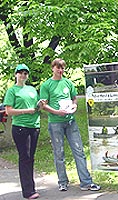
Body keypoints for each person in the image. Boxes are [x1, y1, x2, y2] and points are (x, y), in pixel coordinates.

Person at [40, 58, 100, 192]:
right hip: (55, 123)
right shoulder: (46, 85)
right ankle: (62, 182)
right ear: (52, 68)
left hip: (71, 122)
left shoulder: (68, 83)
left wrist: (74, 106)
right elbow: (43, 105)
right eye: (57, 68)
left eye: (62, 68)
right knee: (59, 153)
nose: (60, 70)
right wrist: (56, 112)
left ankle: (86, 182)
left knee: (79, 151)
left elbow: (74, 99)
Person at [3, 64, 41, 199]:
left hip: (34, 126)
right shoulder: (12, 91)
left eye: (25, 73)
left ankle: (31, 187)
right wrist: (26, 111)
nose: (23, 75)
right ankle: (28, 191)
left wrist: (40, 105)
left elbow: (36, 107)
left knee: (30, 157)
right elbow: (9, 111)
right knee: (24, 157)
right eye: (20, 73)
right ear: (15, 74)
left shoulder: (32, 89)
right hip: (20, 127)